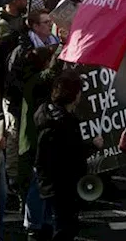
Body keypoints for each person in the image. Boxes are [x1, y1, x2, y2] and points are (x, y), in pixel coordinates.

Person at [35, 69, 101, 241]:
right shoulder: (66, 123)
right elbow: (73, 154)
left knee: (51, 227)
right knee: (64, 230)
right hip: (64, 186)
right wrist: (93, 146)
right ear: (75, 94)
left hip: (47, 183)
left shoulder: (45, 112)